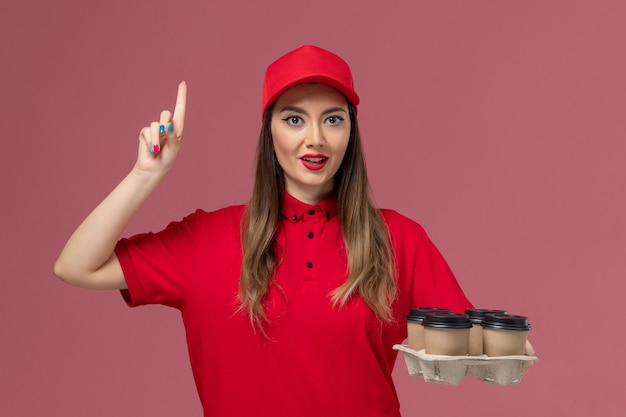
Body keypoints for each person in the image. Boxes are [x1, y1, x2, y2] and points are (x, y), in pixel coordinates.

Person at [54, 45, 533, 417]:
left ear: (351, 133)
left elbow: (472, 344)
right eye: (294, 118)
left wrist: (511, 348)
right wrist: (145, 175)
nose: (315, 139)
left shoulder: (398, 239)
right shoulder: (207, 239)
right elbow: (75, 266)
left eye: (333, 119)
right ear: (270, 133)